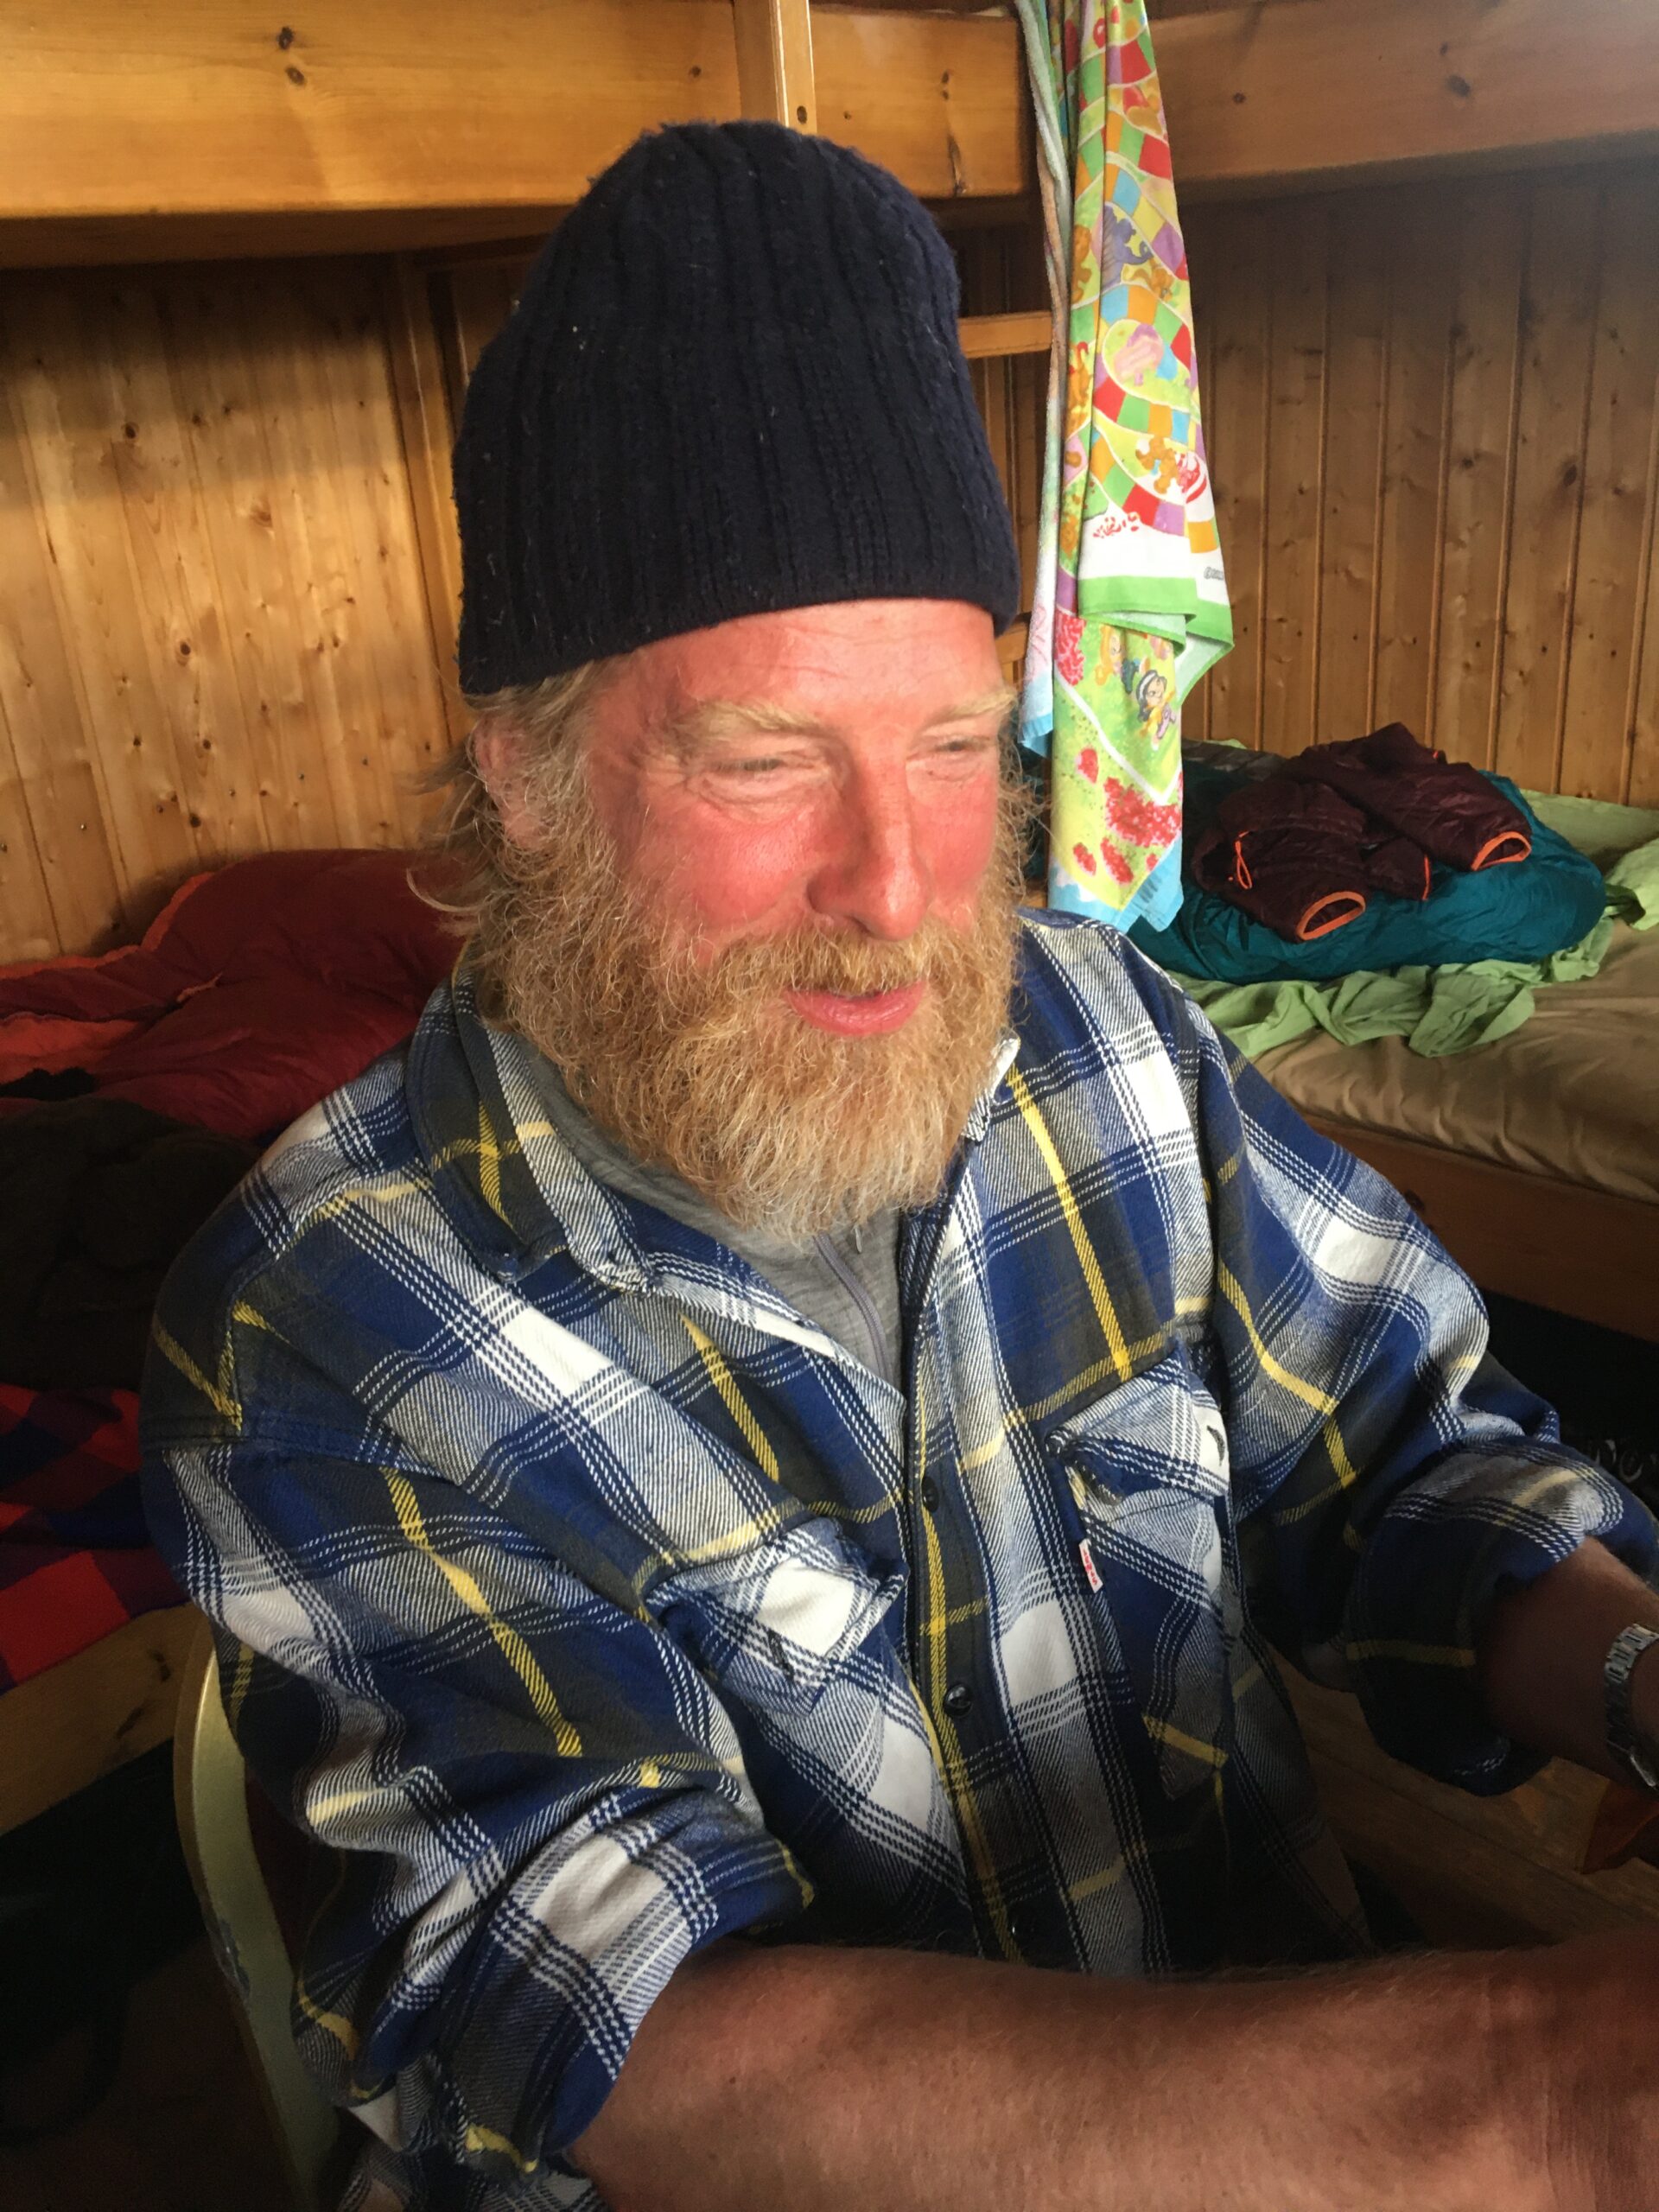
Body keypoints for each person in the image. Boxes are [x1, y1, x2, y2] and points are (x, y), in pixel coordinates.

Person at [141, 123, 1659, 2212]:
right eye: (767, 760)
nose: (895, 884)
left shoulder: (1099, 1037)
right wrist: (1530, 2094)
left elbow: (1407, 1455)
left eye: (955, 747)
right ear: (526, 771)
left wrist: (1636, 1670)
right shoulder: (324, 1318)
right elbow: (611, 2022)